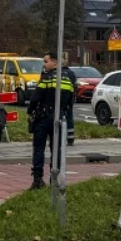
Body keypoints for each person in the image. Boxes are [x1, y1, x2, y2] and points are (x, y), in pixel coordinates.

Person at [27, 53, 73, 189]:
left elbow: (35, 98)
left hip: (43, 117)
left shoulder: (46, 78)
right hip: (59, 117)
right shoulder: (67, 79)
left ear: (54, 62)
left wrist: (30, 111)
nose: (44, 64)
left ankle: (37, 180)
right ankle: (55, 179)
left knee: (39, 148)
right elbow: (71, 101)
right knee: (56, 149)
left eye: (46, 61)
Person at [61, 58, 77, 146]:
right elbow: (75, 86)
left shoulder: (58, 73)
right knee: (69, 118)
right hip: (69, 99)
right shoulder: (71, 73)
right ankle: (70, 138)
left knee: (58, 117)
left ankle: (58, 137)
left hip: (59, 100)